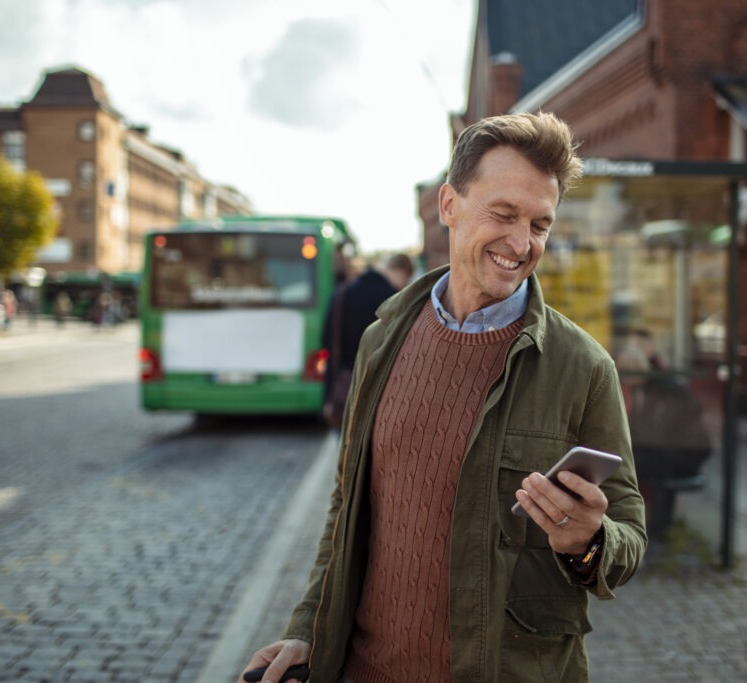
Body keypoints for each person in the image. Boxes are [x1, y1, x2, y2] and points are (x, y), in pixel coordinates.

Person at [240, 112, 647, 683]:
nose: (521, 242)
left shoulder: (584, 369)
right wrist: (308, 628)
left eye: (540, 224)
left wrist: (589, 541)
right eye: (503, 214)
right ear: (449, 205)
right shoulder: (383, 339)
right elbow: (346, 507)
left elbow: (629, 535)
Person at [321, 253, 415, 427]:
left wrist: (328, 394)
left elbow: (328, 343)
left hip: (343, 388)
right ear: (401, 272)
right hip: (381, 392)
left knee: (344, 447)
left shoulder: (341, 293)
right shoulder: (394, 300)